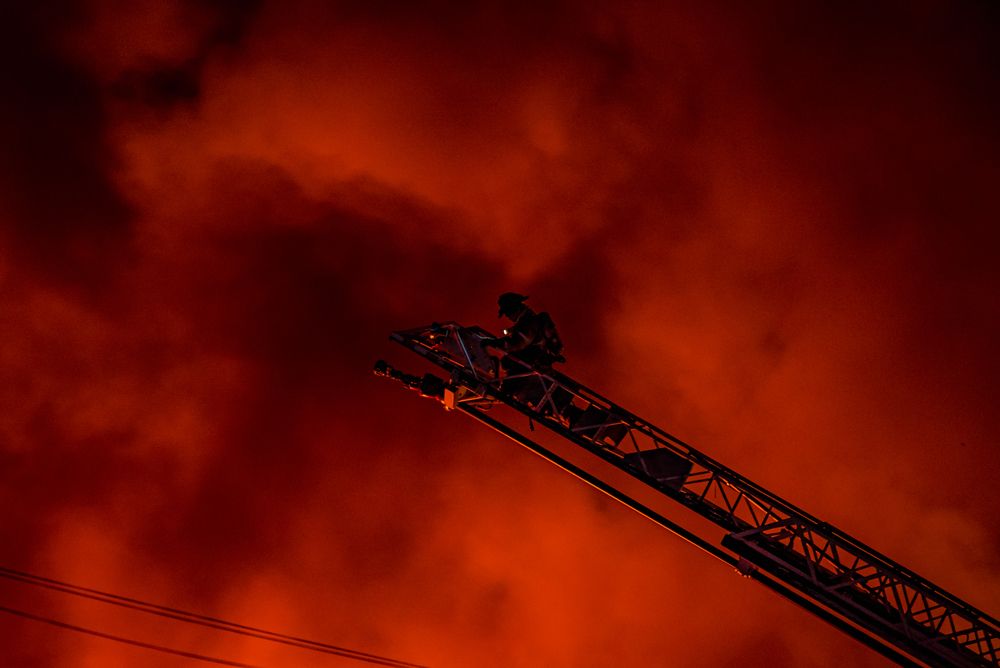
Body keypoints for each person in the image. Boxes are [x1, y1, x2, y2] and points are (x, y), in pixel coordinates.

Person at [484, 292, 565, 367]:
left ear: (515, 309)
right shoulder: (528, 321)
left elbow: (516, 344)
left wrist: (493, 342)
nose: (507, 316)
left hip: (528, 372)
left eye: (507, 313)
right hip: (531, 369)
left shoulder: (528, 322)